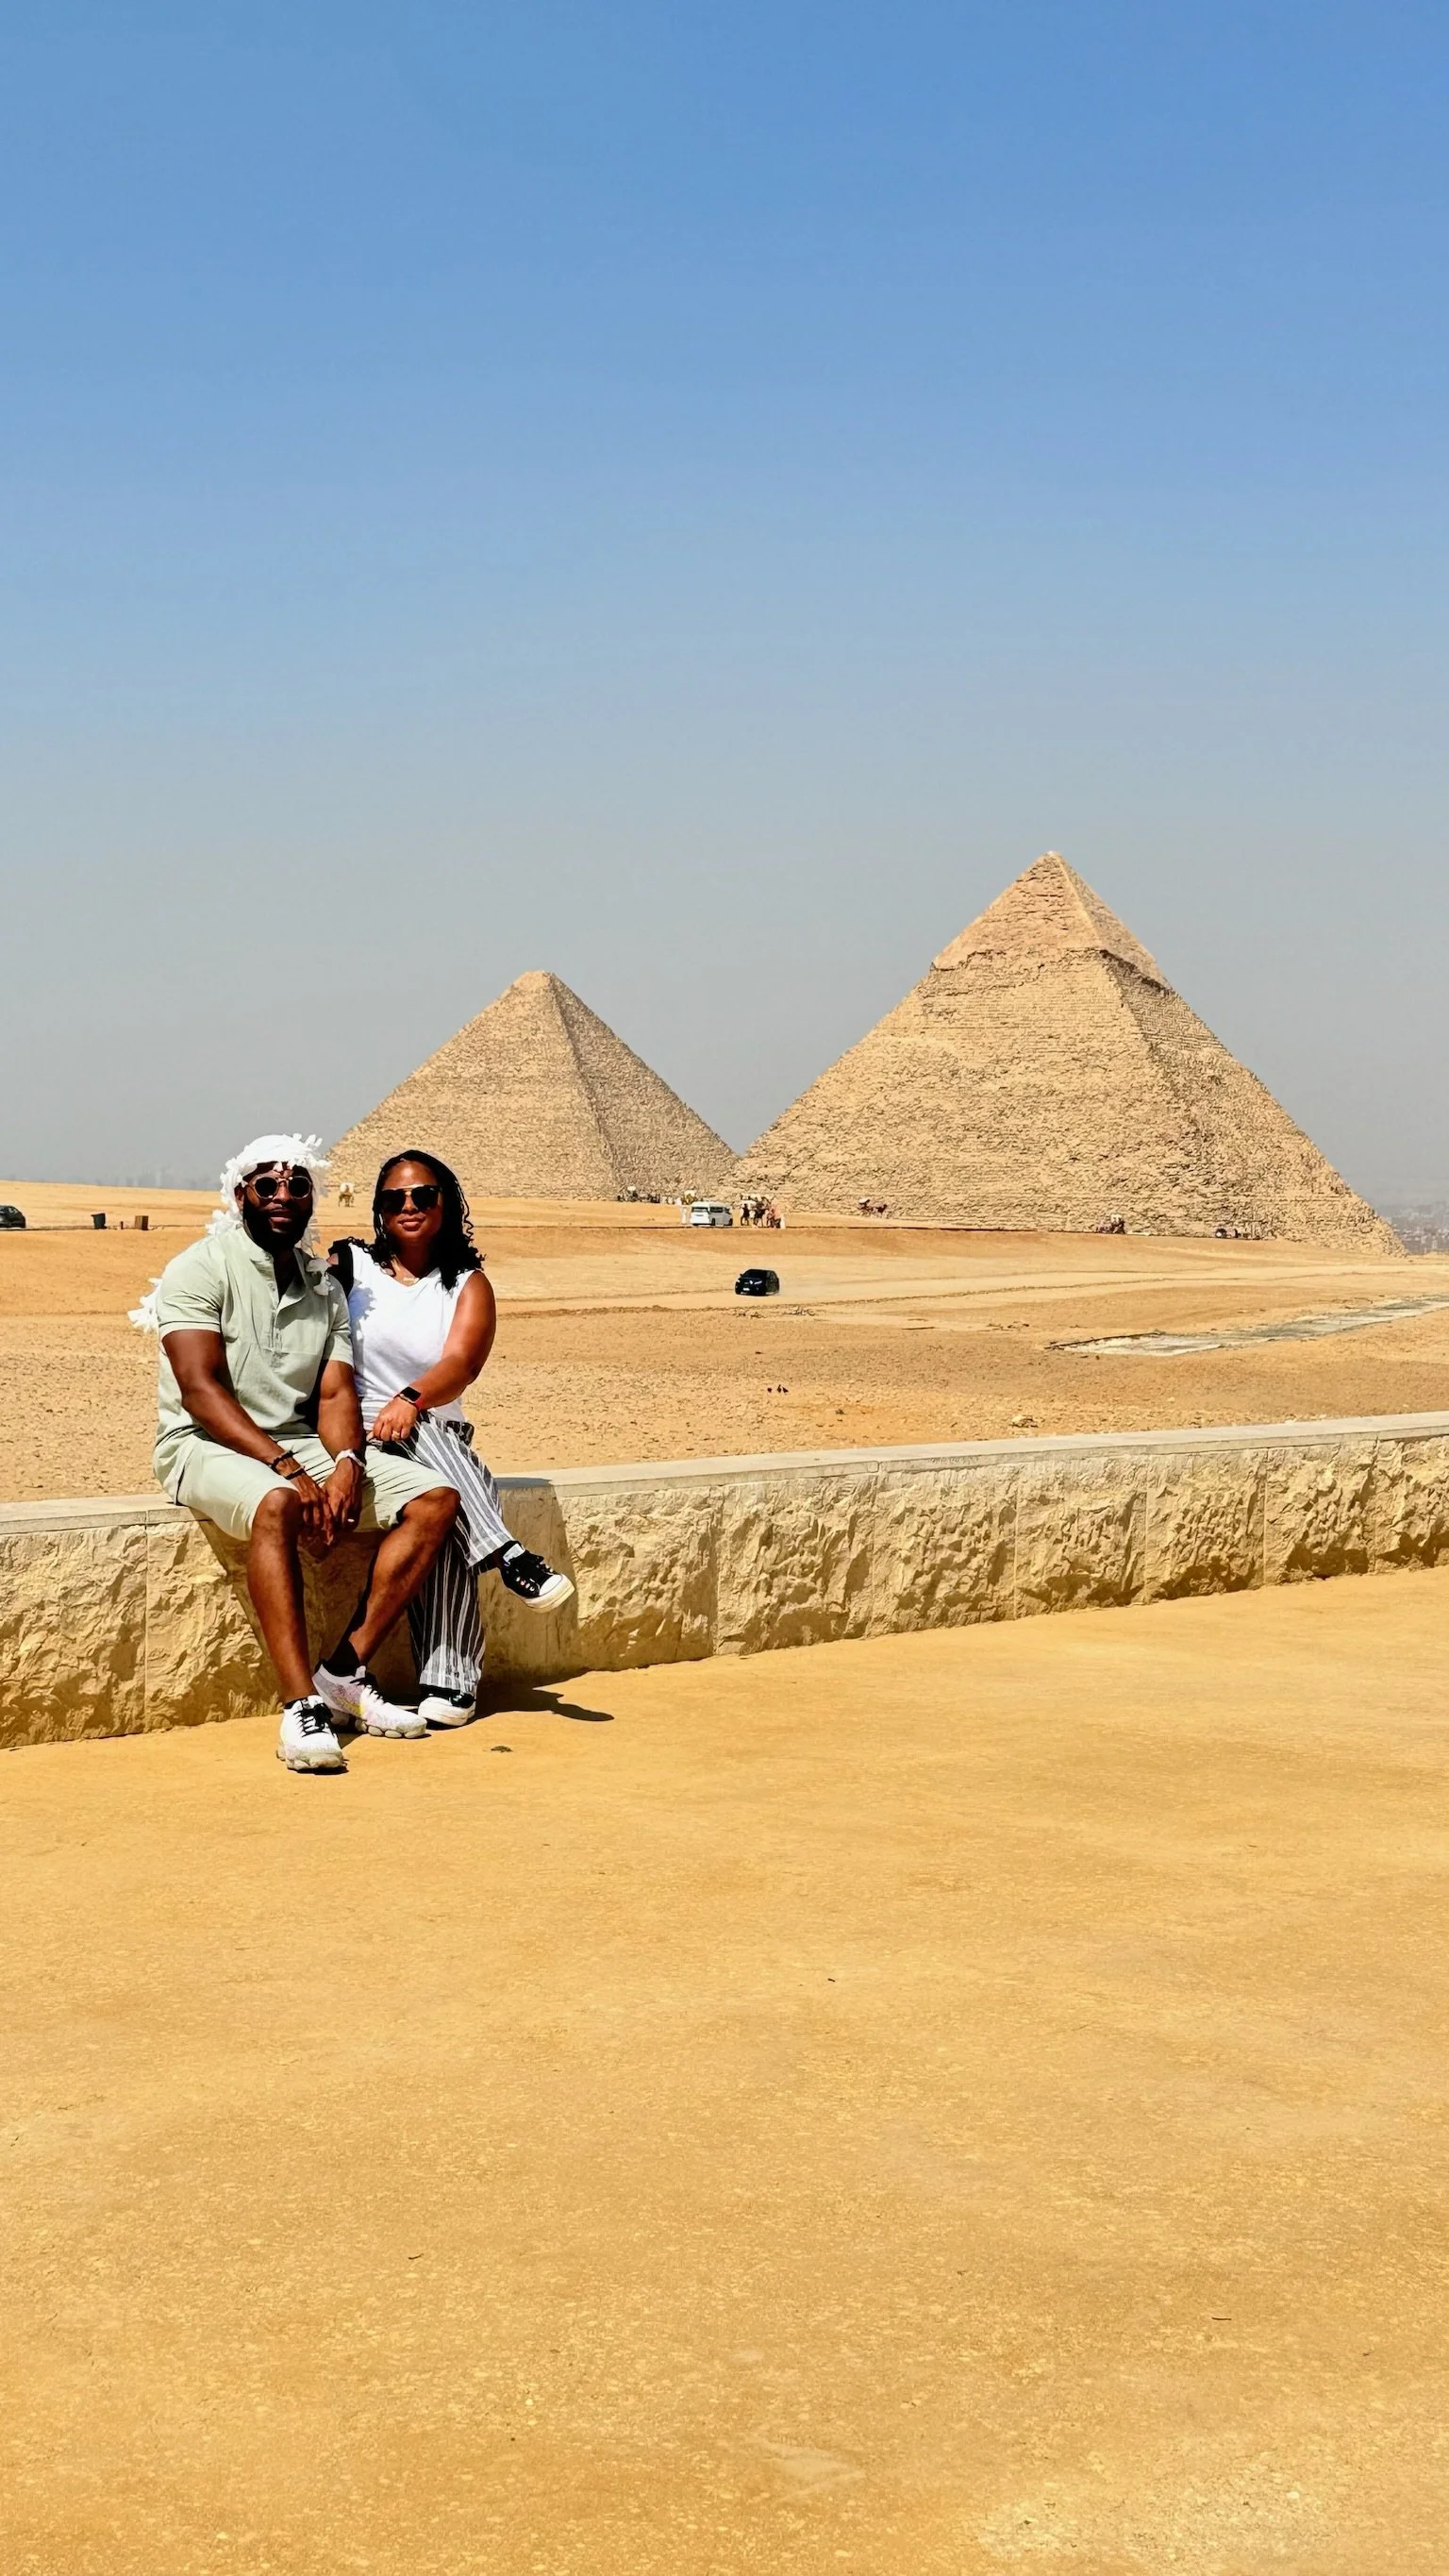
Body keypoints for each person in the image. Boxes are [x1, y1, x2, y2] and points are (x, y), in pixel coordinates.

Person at [142, 1133, 460, 1774]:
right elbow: (202, 1392)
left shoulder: (322, 1285)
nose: (283, 1197)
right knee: (277, 1503)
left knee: (434, 1499)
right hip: (202, 1444)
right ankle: (300, 1707)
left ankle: (343, 1671)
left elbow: (336, 1391)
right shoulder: (199, 1268)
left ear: (314, 1196)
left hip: (297, 1443)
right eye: (267, 1185)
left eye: (296, 1186)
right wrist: (289, 1469)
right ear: (241, 1195)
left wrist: (346, 1465)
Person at [331, 1150, 575, 1726]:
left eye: (424, 1195)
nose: (409, 1207)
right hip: (356, 1430)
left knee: (441, 1501)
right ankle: (506, 1557)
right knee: (445, 1482)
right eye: (395, 1199)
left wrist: (410, 1400)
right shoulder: (351, 1267)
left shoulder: (467, 1285)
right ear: (378, 1209)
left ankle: (448, 1684)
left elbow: (462, 1362)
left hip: (429, 1425)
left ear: (449, 1202)